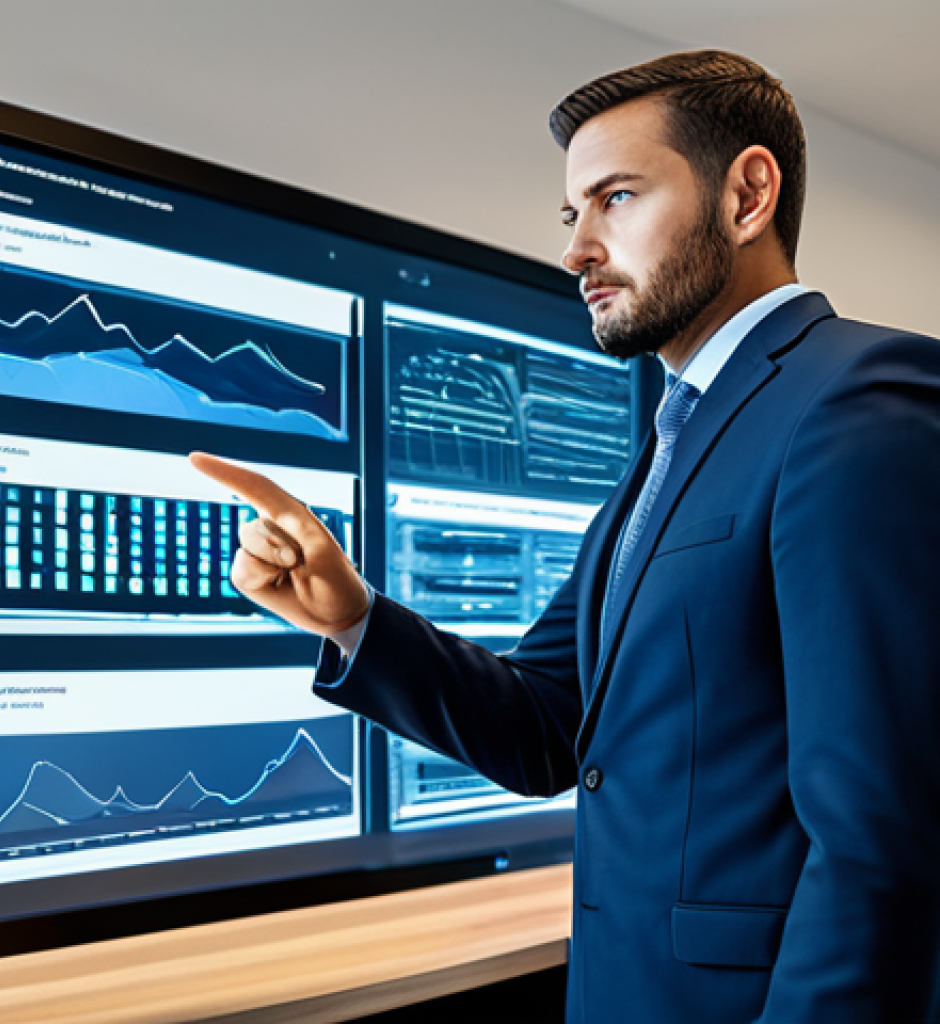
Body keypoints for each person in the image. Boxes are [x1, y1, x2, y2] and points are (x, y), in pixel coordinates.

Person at [191, 50, 940, 1023]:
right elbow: (551, 726)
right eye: (569, 214)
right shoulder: (670, 445)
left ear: (747, 193)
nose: (575, 249)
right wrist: (354, 619)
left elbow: (882, 841)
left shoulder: (860, 399)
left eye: (615, 198)